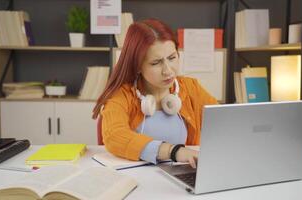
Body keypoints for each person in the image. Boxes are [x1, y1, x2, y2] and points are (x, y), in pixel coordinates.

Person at [93, 19, 217, 168]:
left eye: (172, 58)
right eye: (156, 63)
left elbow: (223, 122)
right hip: (135, 178)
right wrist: (174, 151)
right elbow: (114, 136)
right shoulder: (121, 95)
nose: (168, 71)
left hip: (180, 175)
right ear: (137, 66)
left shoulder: (191, 88)